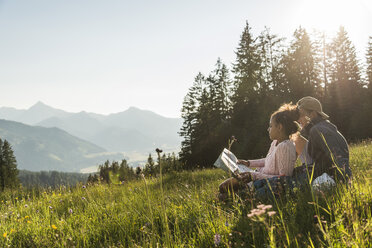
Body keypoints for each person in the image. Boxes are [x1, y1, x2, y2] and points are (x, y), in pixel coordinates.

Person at [219, 104, 299, 194]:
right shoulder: (275, 143)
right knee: (223, 187)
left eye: (271, 126)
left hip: (263, 183)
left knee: (224, 189)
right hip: (257, 177)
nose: (268, 129)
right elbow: (268, 160)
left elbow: (284, 178)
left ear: (279, 127)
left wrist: (254, 176)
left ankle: (244, 193)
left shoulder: (286, 147)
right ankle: (241, 192)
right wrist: (248, 163)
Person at [294, 96, 352, 182]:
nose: (298, 120)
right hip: (327, 174)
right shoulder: (323, 127)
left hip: (329, 177)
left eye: (301, 115)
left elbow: (337, 155)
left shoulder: (318, 130)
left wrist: (344, 179)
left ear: (313, 114)